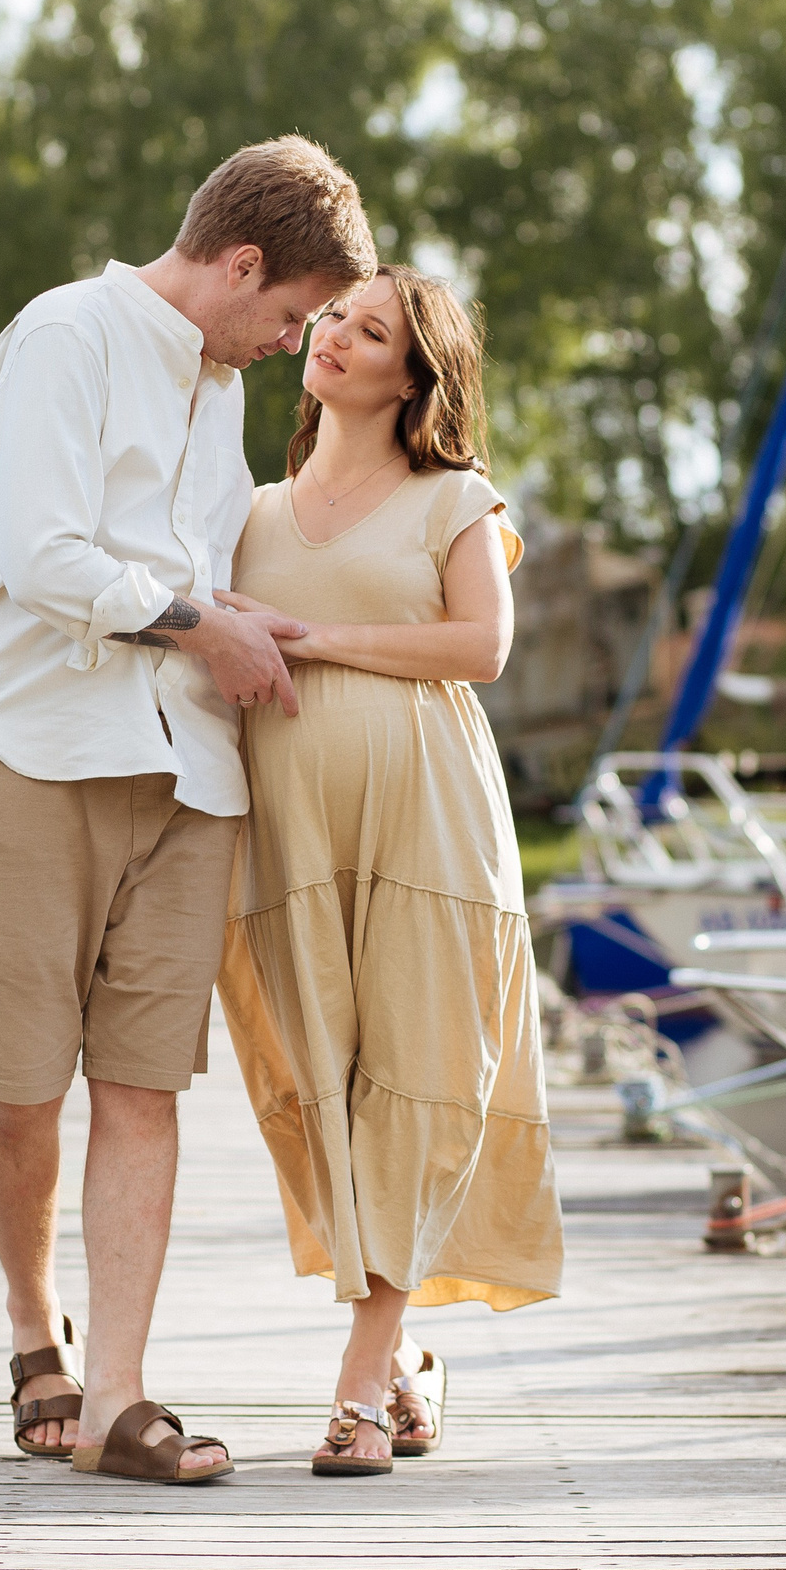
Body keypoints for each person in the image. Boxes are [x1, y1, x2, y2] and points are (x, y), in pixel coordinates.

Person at [0, 137, 376, 1485]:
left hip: (193, 774)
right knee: (22, 1087)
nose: (289, 340)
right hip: (37, 753)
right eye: (290, 312)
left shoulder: (220, 387)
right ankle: (35, 1332)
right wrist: (201, 624)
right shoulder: (62, 336)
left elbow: (191, 561)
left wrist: (236, 615)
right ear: (242, 264)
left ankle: (119, 1395)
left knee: (143, 1084)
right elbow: (47, 552)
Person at [213, 265, 566, 1477]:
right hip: (290, 839)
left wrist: (325, 643)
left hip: (428, 827)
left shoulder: (451, 499)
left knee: (416, 1077)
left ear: (412, 379)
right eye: (335, 319)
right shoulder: (246, 511)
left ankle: (360, 1383)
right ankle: (408, 1358)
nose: (337, 339)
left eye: (373, 333)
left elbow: (481, 645)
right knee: (323, 1086)